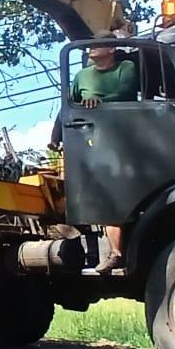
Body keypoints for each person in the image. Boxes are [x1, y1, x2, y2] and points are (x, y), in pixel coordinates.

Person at [48, 35, 139, 270]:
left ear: (112, 48)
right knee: (103, 197)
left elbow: (126, 93)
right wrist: (56, 136)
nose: (91, 48)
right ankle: (112, 252)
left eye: (97, 44)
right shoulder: (82, 76)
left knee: (120, 196)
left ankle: (120, 252)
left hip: (121, 140)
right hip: (91, 143)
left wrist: (99, 101)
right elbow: (67, 106)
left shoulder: (126, 68)